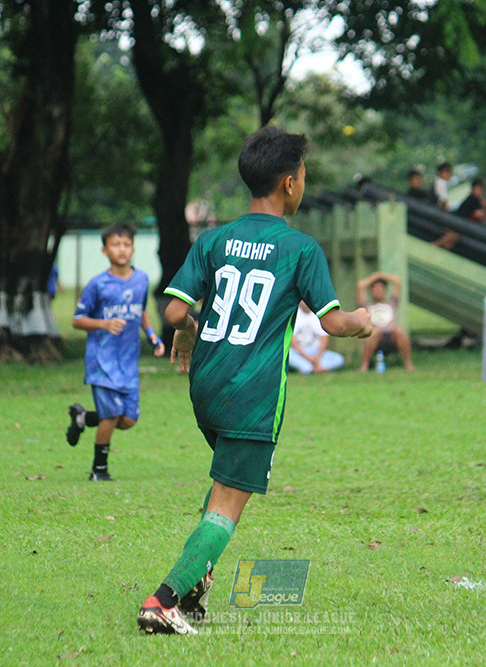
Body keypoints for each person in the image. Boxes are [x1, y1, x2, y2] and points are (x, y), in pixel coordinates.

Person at [136, 126, 373, 635]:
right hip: (252, 393)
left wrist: (187, 333)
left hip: (205, 385)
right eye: (304, 175)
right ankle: (165, 600)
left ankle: (195, 583)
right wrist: (363, 317)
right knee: (227, 506)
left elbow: (176, 308)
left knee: (225, 481)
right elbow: (333, 323)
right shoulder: (300, 248)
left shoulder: (215, 238)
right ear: (290, 183)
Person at [65, 223, 166, 481]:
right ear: (104, 250)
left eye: (126, 244)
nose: (121, 250)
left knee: (128, 419)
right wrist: (103, 323)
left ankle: (83, 418)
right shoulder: (98, 285)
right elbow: (77, 320)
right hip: (103, 362)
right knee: (110, 416)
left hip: (128, 363)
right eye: (115, 244)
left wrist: (152, 335)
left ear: (132, 249)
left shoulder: (142, 279)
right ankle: (99, 470)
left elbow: (141, 310)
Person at [356, 271, 416, 372]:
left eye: (381, 289)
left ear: (385, 291)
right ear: (371, 291)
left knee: (399, 331)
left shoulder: (392, 302)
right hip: (375, 338)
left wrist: (381, 275)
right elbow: (360, 285)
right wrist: (375, 276)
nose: (378, 291)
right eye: (375, 289)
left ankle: (408, 364)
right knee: (374, 332)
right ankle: (364, 365)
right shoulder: (367, 305)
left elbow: (397, 281)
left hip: (392, 337)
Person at [289, 301, 345, 374]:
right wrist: (307, 357)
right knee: (288, 355)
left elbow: (324, 339)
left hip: (316, 351)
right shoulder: (293, 316)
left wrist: (318, 357)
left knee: (338, 359)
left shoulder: (318, 315)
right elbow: (293, 342)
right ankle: (312, 368)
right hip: (299, 352)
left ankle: (312, 368)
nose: (305, 303)